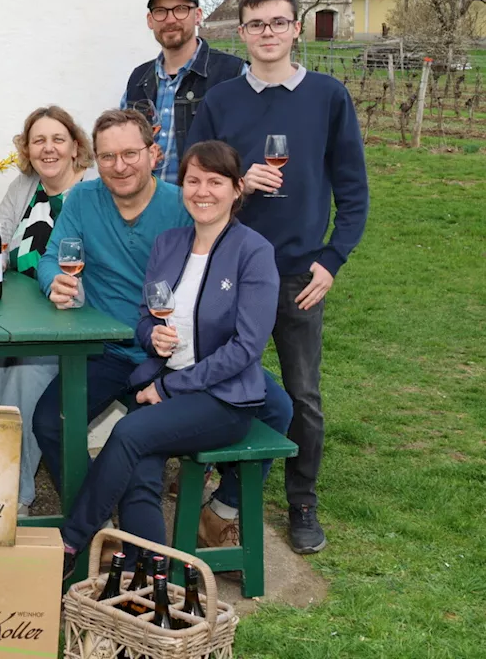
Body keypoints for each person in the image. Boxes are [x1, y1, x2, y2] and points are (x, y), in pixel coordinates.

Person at [31, 109, 291, 548]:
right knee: (52, 422)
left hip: (187, 356)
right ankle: (97, 506)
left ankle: (221, 510)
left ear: (154, 152)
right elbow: (52, 256)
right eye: (108, 156)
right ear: (96, 159)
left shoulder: (185, 205)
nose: (120, 165)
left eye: (131, 153)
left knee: (279, 406)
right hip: (113, 350)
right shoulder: (83, 200)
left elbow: (229, 294)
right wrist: (53, 279)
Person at [187, 0, 369, 554]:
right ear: (241, 33)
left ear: (296, 28)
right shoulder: (221, 100)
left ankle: (302, 503)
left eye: (278, 22)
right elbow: (195, 181)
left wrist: (332, 259)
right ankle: (217, 489)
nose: (267, 33)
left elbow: (354, 191)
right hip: (230, 266)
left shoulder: (328, 95)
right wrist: (239, 187)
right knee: (217, 376)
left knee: (302, 394)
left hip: (297, 274)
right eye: (256, 24)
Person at [0, 106, 93, 517]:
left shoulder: (91, 191)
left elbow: (86, 269)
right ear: (27, 149)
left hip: (70, 317)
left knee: (25, 375)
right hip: (17, 310)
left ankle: (14, 497)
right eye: (38, 141)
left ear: (75, 147)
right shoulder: (24, 186)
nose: (47, 149)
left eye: (57, 140)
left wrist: (24, 262)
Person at [121, 0, 246, 183]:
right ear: (150, 20)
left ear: (197, 15)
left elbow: (249, 145)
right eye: (160, 11)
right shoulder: (138, 79)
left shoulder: (233, 73)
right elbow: (122, 145)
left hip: (203, 207)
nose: (170, 19)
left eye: (180, 9)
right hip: (146, 207)